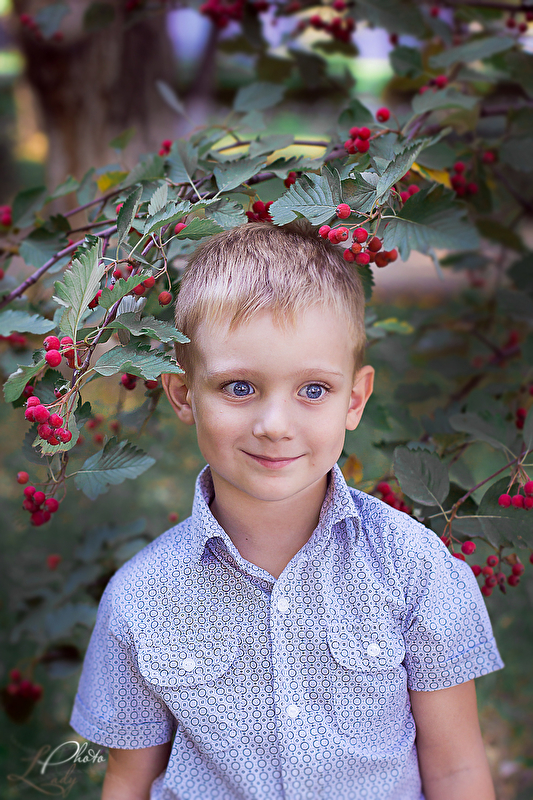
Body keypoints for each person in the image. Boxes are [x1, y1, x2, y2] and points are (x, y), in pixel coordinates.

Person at [70, 221, 504, 800]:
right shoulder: (142, 599)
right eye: (239, 387)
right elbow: (129, 781)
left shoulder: (414, 569)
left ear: (354, 399)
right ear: (183, 393)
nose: (275, 425)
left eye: (313, 390)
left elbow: (456, 771)